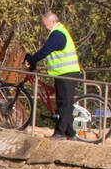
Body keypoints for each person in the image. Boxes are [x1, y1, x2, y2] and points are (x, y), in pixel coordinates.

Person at [24, 10, 82, 140]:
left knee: (65, 103)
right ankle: (70, 132)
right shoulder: (58, 32)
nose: (45, 27)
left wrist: (32, 60)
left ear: (53, 22)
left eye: (46, 24)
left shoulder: (58, 34)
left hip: (67, 73)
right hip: (62, 73)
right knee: (62, 103)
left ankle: (60, 132)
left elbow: (46, 50)